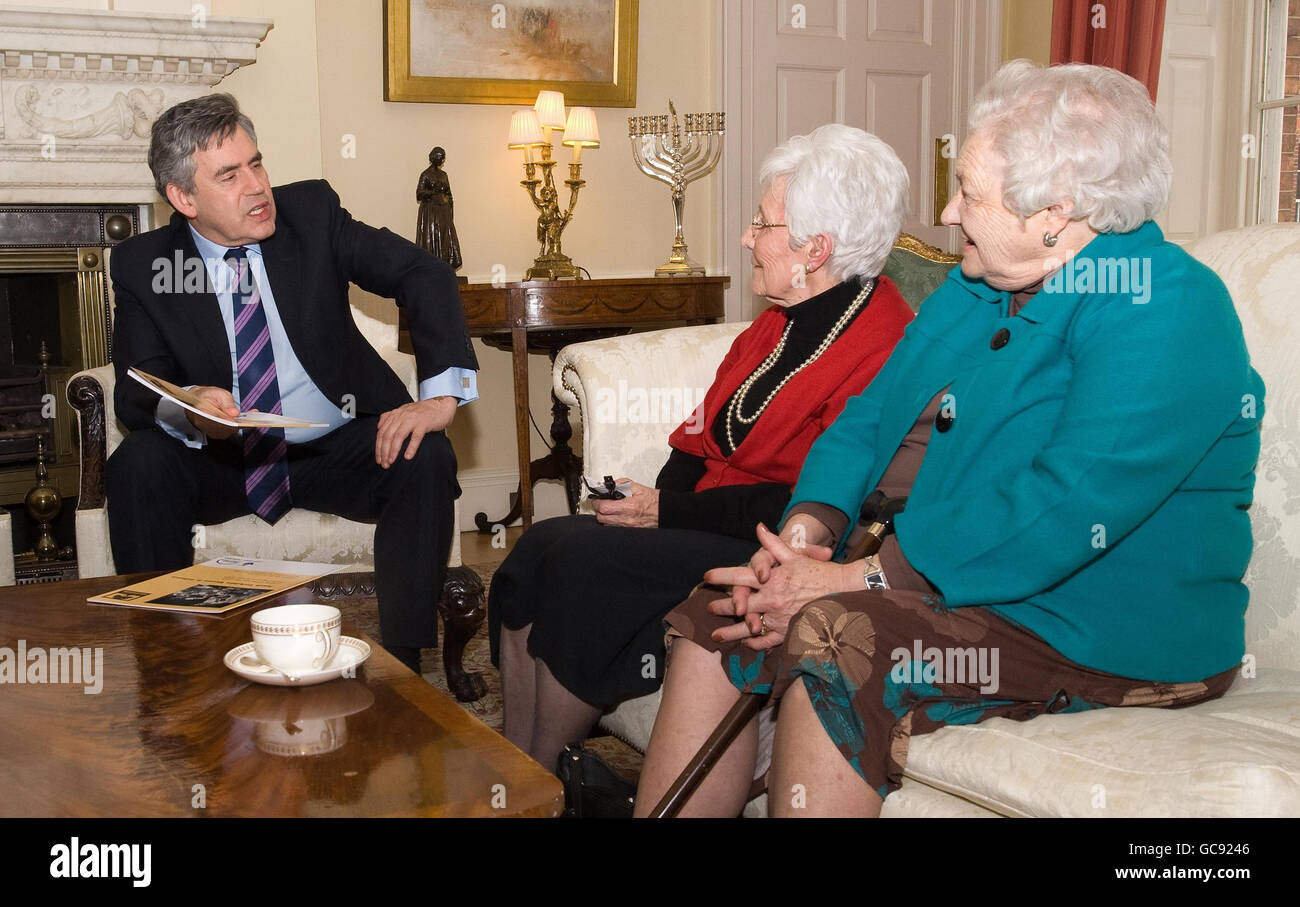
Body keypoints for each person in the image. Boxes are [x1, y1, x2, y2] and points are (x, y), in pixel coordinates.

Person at [635, 60, 1265, 818]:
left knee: (842, 638)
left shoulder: (1163, 305)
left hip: (1099, 623)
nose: (947, 209)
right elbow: (864, 419)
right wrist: (807, 535)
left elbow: (1059, 508)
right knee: (726, 605)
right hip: (971, 591)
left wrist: (852, 580)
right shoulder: (978, 286)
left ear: (1054, 214)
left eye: (968, 188)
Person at [489, 124, 916, 775]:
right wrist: (650, 507)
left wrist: (666, 515)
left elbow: (811, 494)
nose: (747, 237)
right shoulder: (777, 320)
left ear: (816, 248)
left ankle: (541, 774)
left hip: (781, 539)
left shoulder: (884, 341)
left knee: (584, 563)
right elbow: (698, 436)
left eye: (762, 223)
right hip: (702, 520)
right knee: (541, 543)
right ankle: (517, 763)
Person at [107, 93, 478, 674]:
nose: (257, 186)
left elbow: (421, 272)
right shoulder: (142, 264)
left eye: (257, 163)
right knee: (139, 463)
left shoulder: (311, 213)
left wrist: (440, 397)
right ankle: (170, 666)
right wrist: (191, 408)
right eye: (230, 175)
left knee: (423, 453)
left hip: (335, 444)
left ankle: (405, 666)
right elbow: (134, 389)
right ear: (183, 198)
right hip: (223, 459)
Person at [415, 146, 462, 271]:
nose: (442, 160)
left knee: (445, 240)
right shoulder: (425, 174)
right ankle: (433, 268)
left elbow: (449, 194)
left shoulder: (444, 175)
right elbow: (419, 194)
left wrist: (450, 213)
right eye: (441, 157)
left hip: (443, 212)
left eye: (444, 157)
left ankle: (445, 268)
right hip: (430, 213)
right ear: (434, 157)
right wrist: (432, 192)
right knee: (432, 239)